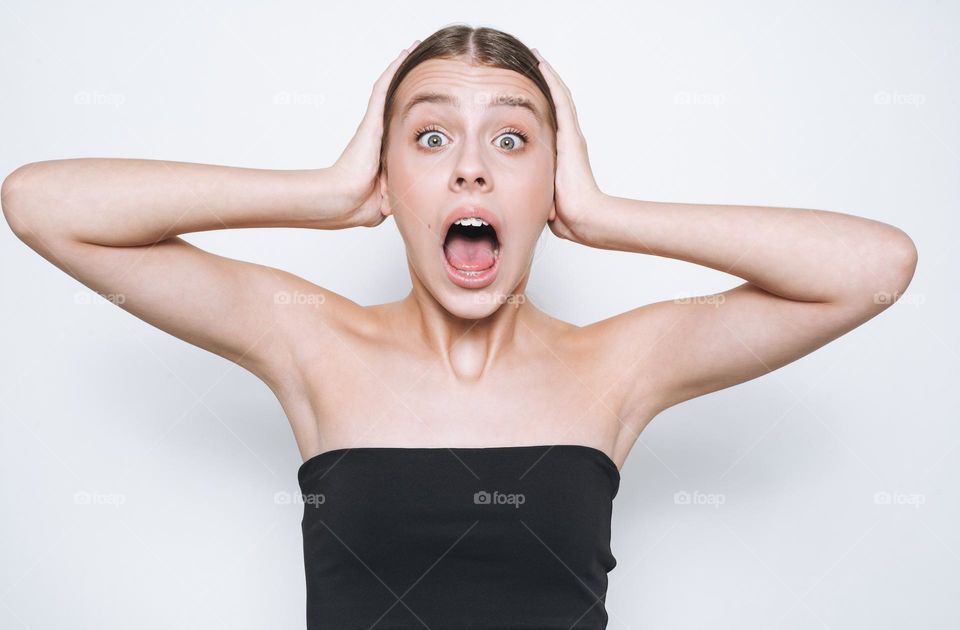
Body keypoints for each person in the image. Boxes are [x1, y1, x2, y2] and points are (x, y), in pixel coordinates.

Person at [1, 23, 917, 630]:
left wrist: (604, 213)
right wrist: (321, 194)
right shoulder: (310, 340)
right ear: (390, 176)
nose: (472, 171)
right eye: (431, 138)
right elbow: (42, 204)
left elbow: (875, 269)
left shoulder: (617, 363)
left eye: (513, 140)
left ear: (550, 176)